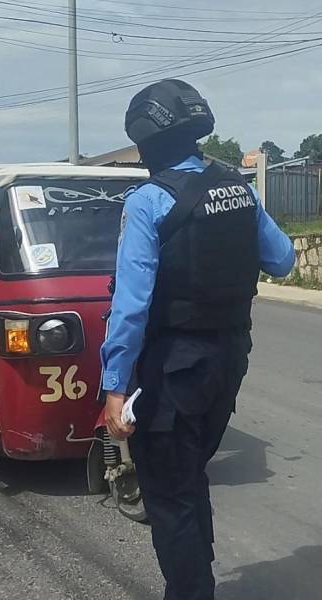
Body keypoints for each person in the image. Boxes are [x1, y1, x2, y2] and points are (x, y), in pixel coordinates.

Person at [101, 79, 295, 600]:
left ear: (147, 142)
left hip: (173, 368)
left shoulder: (147, 201)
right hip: (228, 360)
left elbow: (131, 305)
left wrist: (114, 387)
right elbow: (282, 260)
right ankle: (198, 580)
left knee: (169, 492)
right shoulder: (238, 186)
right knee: (187, 477)